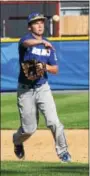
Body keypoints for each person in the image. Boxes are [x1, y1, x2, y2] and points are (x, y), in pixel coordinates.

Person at [13, 12, 71, 162]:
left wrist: (44, 66)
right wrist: (39, 43)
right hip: (25, 90)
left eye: (41, 22)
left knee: (54, 122)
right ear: (29, 27)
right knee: (29, 129)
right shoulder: (25, 41)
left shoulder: (48, 45)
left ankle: (63, 152)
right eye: (36, 22)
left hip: (42, 88)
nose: (40, 25)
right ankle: (17, 141)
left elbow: (56, 69)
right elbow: (26, 44)